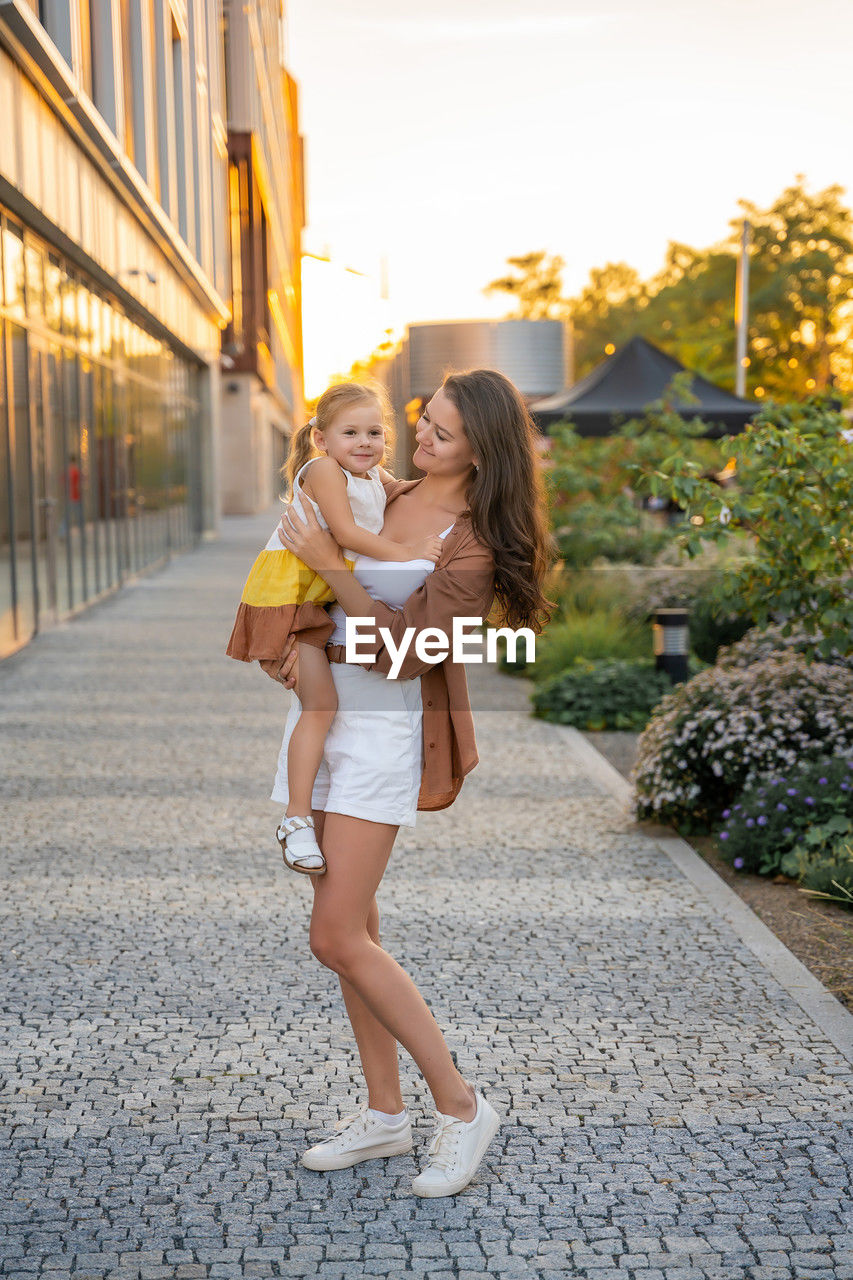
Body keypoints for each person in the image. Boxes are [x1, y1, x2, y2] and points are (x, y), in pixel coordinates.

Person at [271, 368, 553, 1198]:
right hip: (321, 725)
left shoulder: (472, 542)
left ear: (482, 450)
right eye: (421, 422)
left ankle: (461, 1108)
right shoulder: (384, 492)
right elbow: (311, 572)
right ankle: (386, 1114)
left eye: (441, 434)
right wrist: (297, 644)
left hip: (381, 738)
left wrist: (330, 561)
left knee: (333, 937)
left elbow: (411, 653)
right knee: (354, 931)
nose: (418, 440)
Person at [226, 381, 443, 876]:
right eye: (350, 433)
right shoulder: (323, 470)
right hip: (287, 602)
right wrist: (408, 553)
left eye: (375, 432)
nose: (365, 442)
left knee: (321, 706)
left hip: (311, 604)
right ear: (321, 439)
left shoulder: (366, 475)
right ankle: (295, 818)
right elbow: (345, 535)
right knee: (320, 706)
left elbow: (400, 493)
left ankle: (300, 816)